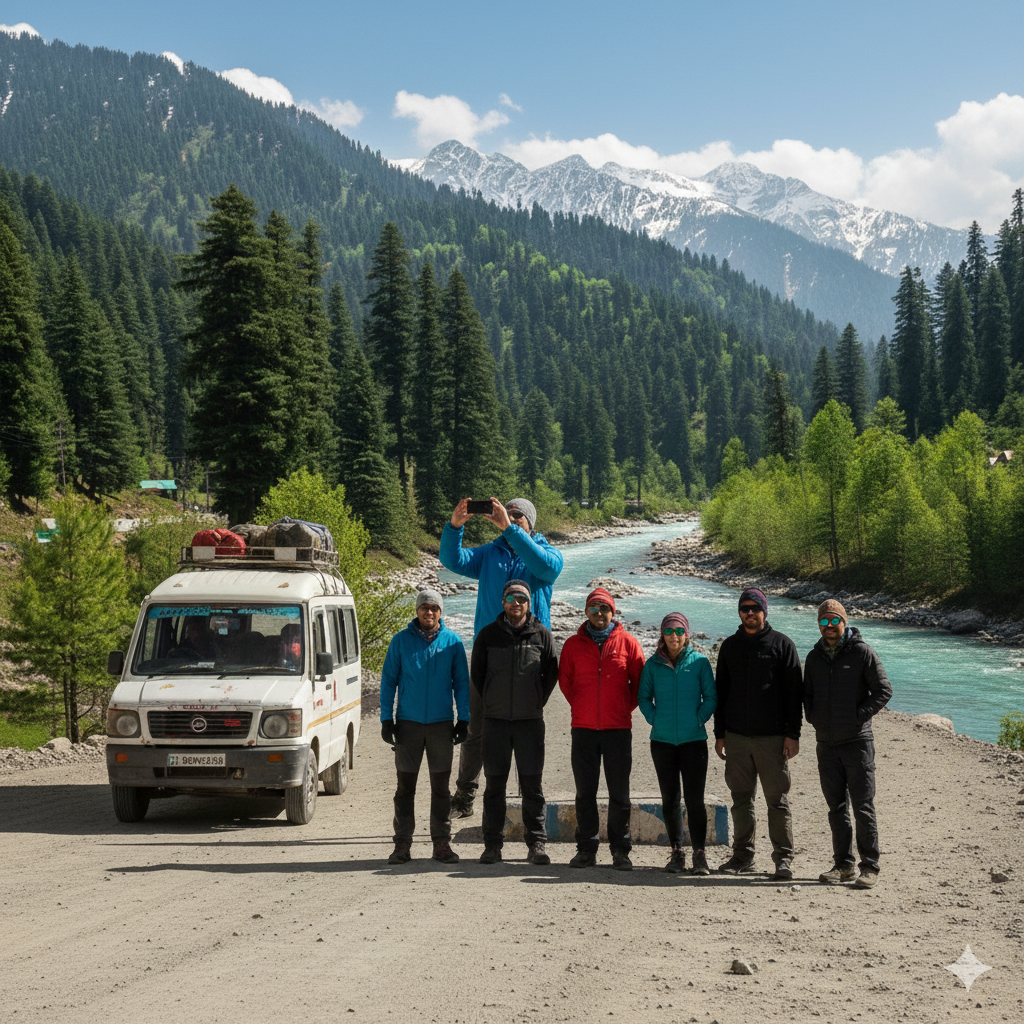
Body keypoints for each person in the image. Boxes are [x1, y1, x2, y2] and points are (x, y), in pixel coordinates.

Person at [441, 497, 564, 817]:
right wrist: (455, 526)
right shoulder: (489, 553)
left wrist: (510, 530)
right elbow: (452, 560)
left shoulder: (546, 554)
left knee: (527, 733)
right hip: (490, 654)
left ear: (530, 523)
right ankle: (465, 797)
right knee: (475, 729)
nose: (511, 518)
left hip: (530, 657)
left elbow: (545, 568)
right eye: (508, 513)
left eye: (518, 516)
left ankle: (528, 801)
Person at [713, 588, 803, 879]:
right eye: (744, 608)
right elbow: (721, 692)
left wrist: (793, 734)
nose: (749, 613)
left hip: (773, 738)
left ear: (765, 611)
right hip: (737, 737)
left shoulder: (782, 645)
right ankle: (743, 856)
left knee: (777, 801)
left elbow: (794, 694)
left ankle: (783, 859)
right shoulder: (729, 647)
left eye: (755, 608)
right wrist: (719, 733)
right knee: (741, 799)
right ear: (739, 612)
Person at [803, 599, 892, 889]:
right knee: (836, 807)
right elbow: (808, 695)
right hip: (826, 743)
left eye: (834, 620)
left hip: (857, 742)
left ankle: (870, 867)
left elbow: (883, 691)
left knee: (863, 806)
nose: (829, 626)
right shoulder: (814, 657)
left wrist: (859, 716)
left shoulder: (862, 652)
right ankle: (843, 865)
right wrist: (813, 717)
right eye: (824, 621)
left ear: (844, 621)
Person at [379, 589, 471, 866]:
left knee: (441, 789)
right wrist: (387, 719)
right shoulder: (400, 642)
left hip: (442, 725)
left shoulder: (453, 643)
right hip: (409, 725)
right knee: (405, 788)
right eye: (424, 608)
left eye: (434, 608)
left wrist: (463, 719)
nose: (428, 612)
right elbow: (388, 681)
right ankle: (402, 846)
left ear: (441, 612)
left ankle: (441, 844)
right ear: (417, 611)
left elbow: (462, 684)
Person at [471, 580, 559, 866]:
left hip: (529, 723)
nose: (516, 602)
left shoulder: (542, 635)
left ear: (529, 603)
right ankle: (492, 846)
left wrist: (535, 701)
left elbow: (551, 675)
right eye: (511, 597)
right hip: (495, 722)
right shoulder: (487, 636)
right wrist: (493, 701)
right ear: (503, 601)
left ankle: (536, 844)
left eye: (522, 597)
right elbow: (478, 676)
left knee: (532, 786)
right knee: (494, 786)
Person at [558, 587, 645, 870]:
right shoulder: (572, 644)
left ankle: (621, 850)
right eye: (594, 608)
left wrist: (620, 708)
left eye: (604, 608)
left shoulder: (629, 643)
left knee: (619, 793)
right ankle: (586, 849)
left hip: (618, 728)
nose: (599, 613)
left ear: (613, 612)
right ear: (586, 611)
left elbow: (639, 684)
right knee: (585, 792)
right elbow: (566, 683)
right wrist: (582, 706)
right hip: (582, 728)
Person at [638, 612, 717, 875]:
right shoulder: (652, 665)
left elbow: (711, 698)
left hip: (694, 742)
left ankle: (699, 854)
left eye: (679, 631)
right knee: (670, 800)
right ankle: (676, 852)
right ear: (662, 634)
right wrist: (655, 720)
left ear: (687, 634)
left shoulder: (700, 663)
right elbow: (643, 698)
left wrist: (698, 720)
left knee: (695, 801)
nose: (674, 636)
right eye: (669, 631)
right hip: (662, 742)